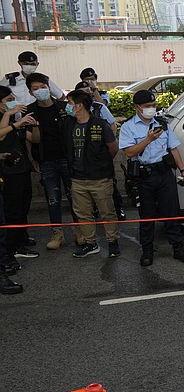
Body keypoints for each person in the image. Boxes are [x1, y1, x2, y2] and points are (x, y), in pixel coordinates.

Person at [118, 90, 184, 266]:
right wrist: (148, 139)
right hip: (144, 177)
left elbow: (173, 148)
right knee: (147, 216)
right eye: (147, 106)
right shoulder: (129, 127)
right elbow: (129, 152)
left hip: (164, 174)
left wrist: (183, 169)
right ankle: (147, 250)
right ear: (137, 107)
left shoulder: (162, 124)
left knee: (171, 213)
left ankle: (178, 248)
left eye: (153, 105)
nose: (151, 109)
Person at [23, 72, 79, 250]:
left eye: (43, 87)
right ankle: (57, 233)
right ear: (31, 92)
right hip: (46, 161)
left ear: (49, 87)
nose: (40, 90)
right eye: (35, 88)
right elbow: (29, 138)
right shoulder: (30, 111)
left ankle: (79, 231)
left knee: (74, 196)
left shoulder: (65, 107)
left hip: (67, 159)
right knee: (53, 198)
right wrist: (31, 158)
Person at [65, 89, 119, 259]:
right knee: (83, 214)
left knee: (107, 211)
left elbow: (113, 148)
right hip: (77, 178)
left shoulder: (99, 124)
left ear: (79, 106)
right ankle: (90, 243)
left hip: (100, 178)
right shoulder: (68, 125)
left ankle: (113, 242)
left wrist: (101, 165)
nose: (68, 107)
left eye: (70, 103)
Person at [75, 77, 125, 220]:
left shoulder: (99, 107)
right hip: (83, 154)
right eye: (82, 92)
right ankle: (95, 210)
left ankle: (118, 208)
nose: (87, 94)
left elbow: (112, 124)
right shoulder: (73, 111)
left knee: (110, 182)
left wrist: (111, 144)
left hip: (101, 151)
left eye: (88, 91)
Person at [0, 86, 38, 265]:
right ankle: (10, 251)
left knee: (23, 208)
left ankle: (20, 241)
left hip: (22, 169)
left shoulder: (14, 119)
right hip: (8, 173)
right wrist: (10, 118)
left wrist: (32, 125)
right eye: (8, 100)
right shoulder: (6, 120)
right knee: (12, 212)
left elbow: (33, 139)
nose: (12, 102)